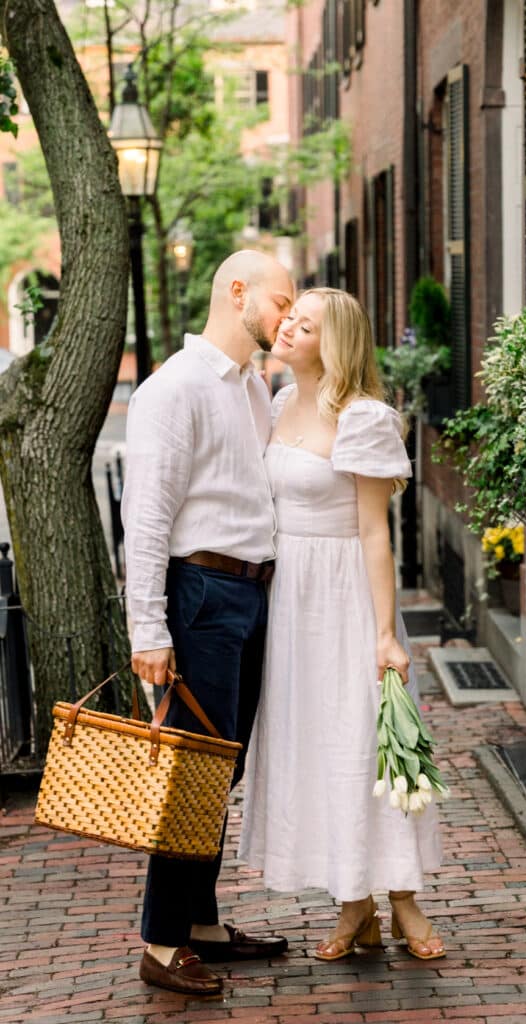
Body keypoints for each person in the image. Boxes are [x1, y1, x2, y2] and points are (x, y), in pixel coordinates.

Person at [239, 288, 444, 961]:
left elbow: (373, 533)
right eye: (288, 319)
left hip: (346, 593)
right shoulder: (274, 403)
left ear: (335, 344)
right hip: (290, 598)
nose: (287, 329)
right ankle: (352, 904)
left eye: (305, 325)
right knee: (315, 745)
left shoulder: (363, 418)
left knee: (365, 742)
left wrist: (385, 634)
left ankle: (403, 897)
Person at [121, 250, 295, 995]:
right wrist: (148, 631)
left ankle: (200, 924)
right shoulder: (175, 389)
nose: (287, 317)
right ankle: (161, 945)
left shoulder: (251, 388)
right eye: (281, 302)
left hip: (250, 596)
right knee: (194, 774)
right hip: (200, 595)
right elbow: (147, 519)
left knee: (219, 771)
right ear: (237, 292)